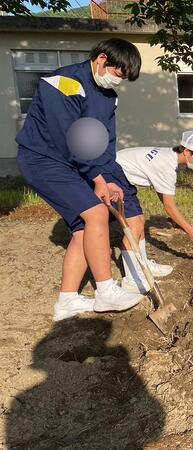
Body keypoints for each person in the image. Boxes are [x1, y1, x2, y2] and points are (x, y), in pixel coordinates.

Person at [16, 38, 145, 321]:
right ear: (102, 59)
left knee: (84, 229)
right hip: (43, 159)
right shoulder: (63, 84)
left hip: (72, 164)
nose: (118, 81)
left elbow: (104, 142)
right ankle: (106, 290)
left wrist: (107, 177)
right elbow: (70, 137)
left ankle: (67, 301)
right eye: (118, 74)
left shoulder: (108, 96)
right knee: (96, 213)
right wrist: (96, 178)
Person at [115, 131, 193, 293]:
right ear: (187, 151)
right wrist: (190, 230)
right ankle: (132, 278)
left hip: (123, 177)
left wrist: (175, 218)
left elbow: (161, 191)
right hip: (114, 175)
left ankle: (143, 265)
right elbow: (169, 206)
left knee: (140, 221)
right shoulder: (166, 166)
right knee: (134, 226)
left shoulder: (168, 156)